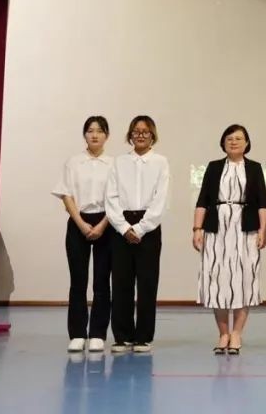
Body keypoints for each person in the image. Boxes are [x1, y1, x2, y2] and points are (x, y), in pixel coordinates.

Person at [192, 124, 266, 355]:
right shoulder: (214, 167)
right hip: (217, 229)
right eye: (229, 138)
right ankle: (223, 333)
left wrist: (263, 231)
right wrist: (197, 228)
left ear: (247, 143)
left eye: (238, 138)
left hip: (245, 230)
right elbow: (203, 200)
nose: (233, 142)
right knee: (217, 280)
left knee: (244, 279)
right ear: (223, 143)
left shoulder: (254, 168)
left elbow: (262, 203)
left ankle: (237, 333)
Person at [105, 115, 169, 353]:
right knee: (121, 281)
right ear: (130, 135)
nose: (140, 135)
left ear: (152, 135)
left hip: (148, 227)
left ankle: (143, 336)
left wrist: (141, 228)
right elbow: (110, 197)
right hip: (121, 225)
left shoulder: (161, 162)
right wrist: (124, 228)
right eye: (136, 131)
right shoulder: (119, 162)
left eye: (145, 131)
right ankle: (122, 336)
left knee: (147, 282)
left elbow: (161, 200)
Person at [52, 116, 114, 353]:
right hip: (78, 222)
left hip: (106, 222)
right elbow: (66, 194)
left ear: (107, 135)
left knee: (102, 281)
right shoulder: (73, 162)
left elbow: (117, 198)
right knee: (78, 280)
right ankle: (77, 333)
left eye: (99, 131)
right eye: (90, 131)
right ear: (84, 135)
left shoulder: (114, 164)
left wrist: (102, 225)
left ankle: (98, 333)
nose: (94, 135)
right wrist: (80, 223)